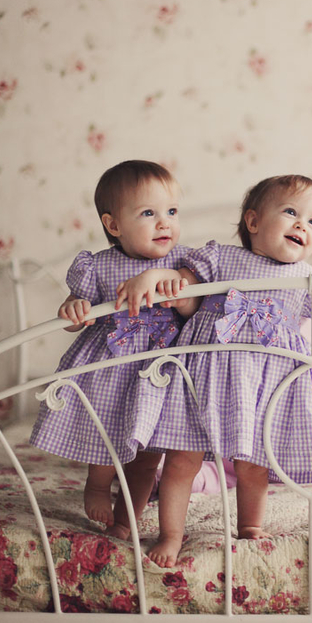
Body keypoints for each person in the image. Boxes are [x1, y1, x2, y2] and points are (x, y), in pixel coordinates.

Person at [117, 174, 312, 567]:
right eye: (292, 213)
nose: (303, 225)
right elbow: (185, 289)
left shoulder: (307, 278)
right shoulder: (221, 258)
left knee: (253, 466)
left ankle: (249, 526)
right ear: (254, 221)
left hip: (263, 387)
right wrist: (161, 281)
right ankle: (171, 535)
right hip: (202, 377)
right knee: (181, 460)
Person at [30, 160, 196, 539]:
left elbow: (194, 308)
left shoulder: (183, 264)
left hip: (161, 371)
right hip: (111, 365)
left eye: (171, 211)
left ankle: (126, 520)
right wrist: (73, 309)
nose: (164, 223)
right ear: (114, 225)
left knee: (148, 457)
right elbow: (74, 317)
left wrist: (179, 293)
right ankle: (97, 485)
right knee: (103, 432)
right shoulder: (99, 266)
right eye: (149, 213)